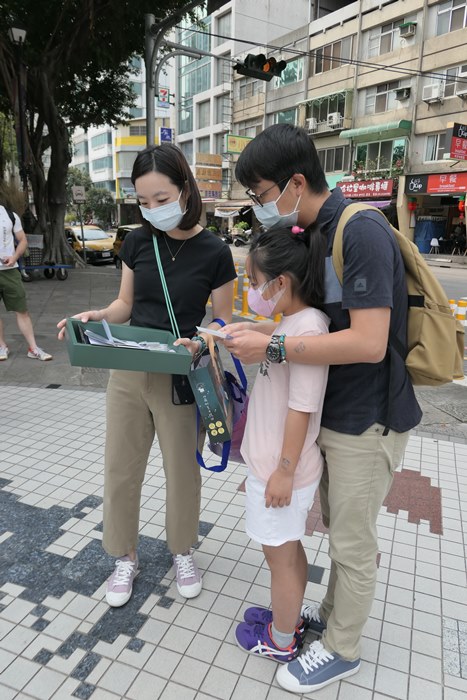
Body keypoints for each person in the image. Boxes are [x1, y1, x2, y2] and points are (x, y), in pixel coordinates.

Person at [223, 123, 422, 693]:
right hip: (333, 417)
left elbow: (367, 342)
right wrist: (260, 328)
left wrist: (274, 343)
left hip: (369, 418)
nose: (259, 208)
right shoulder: (311, 230)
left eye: (261, 194)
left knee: (353, 543)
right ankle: (334, 621)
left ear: (295, 182)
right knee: (338, 531)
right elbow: (309, 319)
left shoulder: (362, 232)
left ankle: (343, 650)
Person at [57, 144, 236, 606]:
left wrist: (203, 340)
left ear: (185, 190)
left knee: (183, 472)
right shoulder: (137, 242)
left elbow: (222, 320)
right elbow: (125, 305)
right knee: (120, 468)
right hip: (130, 371)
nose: (153, 209)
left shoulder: (216, 251)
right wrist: (95, 316)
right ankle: (125, 555)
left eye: (162, 198)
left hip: (182, 375)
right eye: (144, 201)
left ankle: (182, 549)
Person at [234, 227, 329, 663]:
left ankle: (282, 639)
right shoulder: (294, 323)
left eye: (255, 283)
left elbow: (302, 407)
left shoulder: (307, 327)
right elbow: (266, 332)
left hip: (282, 471)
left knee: (279, 558)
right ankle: (287, 618)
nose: (253, 292)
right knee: (287, 550)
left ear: (282, 283)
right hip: (277, 467)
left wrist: (285, 470)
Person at [0, 203, 53, 361]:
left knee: (22, 310)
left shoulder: (10, 215)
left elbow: (22, 240)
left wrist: (14, 257)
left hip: (10, 271)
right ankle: (2, 346)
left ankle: (33, 348)